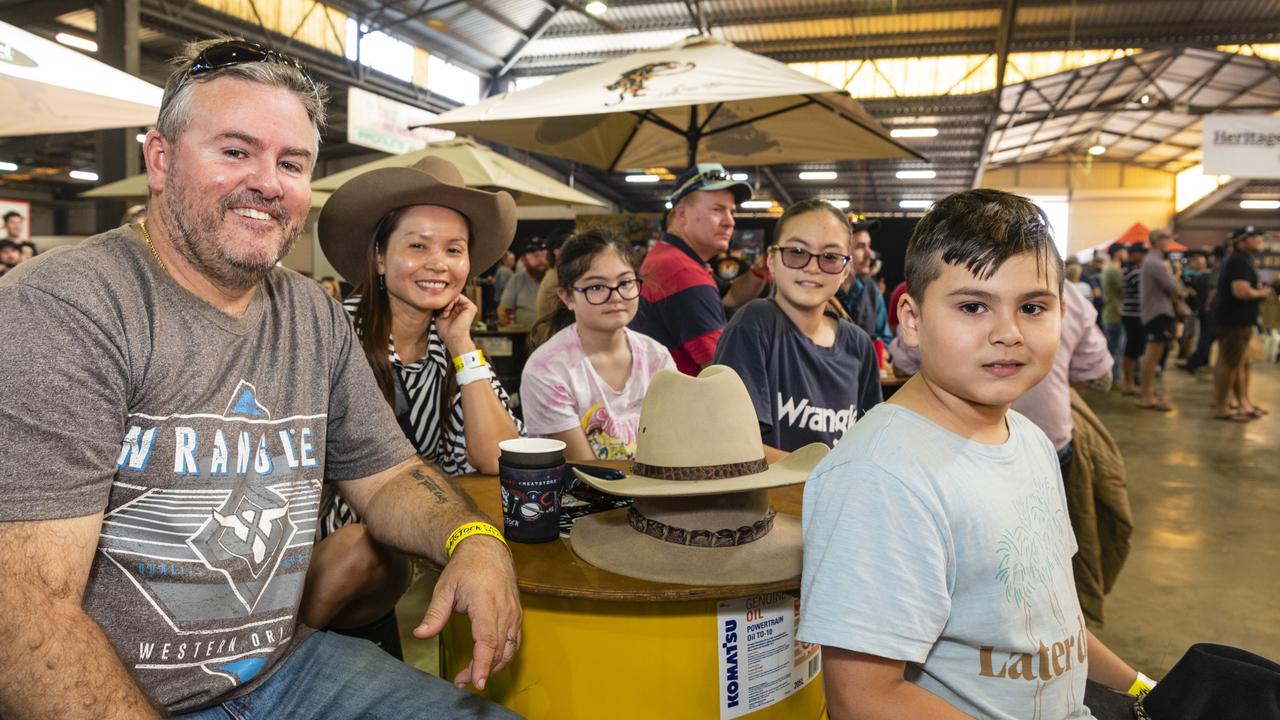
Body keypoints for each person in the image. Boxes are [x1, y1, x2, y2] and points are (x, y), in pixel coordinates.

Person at [0, 38, 520, 719]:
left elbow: (388, 475)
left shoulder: (312, 314)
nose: (269, 183)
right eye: (236, 151)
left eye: (291, 162)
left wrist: (472, 539)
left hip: (288, 670)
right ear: (160, 160)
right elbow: (23, 612)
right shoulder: (66, 305)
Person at [799, 189, 1146, 720]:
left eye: (1032, 307)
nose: (1007, 333)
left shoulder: (1029, 440)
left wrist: (1146, 692)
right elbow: (863, 698)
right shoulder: (881, 476)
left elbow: (1050, 623)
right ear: (911, 320)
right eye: (972, 306)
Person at [310, 155, 523, 653]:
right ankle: (265, 671)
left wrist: (463, 345)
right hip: (306, 561)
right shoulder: (330, 332)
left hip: (387, 572)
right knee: (361, 545)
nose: (438, 263)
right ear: (380, 258)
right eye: (418, 245)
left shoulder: (450, 351)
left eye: (454, 249)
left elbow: (497, 457)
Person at [713, 199, 882, 458]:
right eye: (797, 252)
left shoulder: (859, 345)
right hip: (771, 498)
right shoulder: (754, 324)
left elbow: (870, 444)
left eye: (830, 257)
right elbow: (733, 444)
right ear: (771, 260)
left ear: (845, 269)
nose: (812, 267)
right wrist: (830, 475)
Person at [521, 229, 674, 460]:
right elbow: (586, 471)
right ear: (567, 297)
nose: (616, 296)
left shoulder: (657, 357)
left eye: (625, 282)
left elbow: (672, 445)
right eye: (596, 287)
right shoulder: (547, 370)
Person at [629, 162, 762, 375]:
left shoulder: (669, 256)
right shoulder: (683, 273)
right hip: (679, 404)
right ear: (681, 215)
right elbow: (722, 371)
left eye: (731, 212)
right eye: (717, 210)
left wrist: (760, 270)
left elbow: (731, 296)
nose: (730, 222)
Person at [1212, 226, 1274, 422]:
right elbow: (1241, 292)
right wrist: (1262, 293)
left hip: (1239, 320)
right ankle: (1222, 407)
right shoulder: (1238, 261)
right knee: (1229, 363)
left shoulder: (1243, 260)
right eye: (1253, 237)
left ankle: (1242, 402)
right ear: (1241, 242)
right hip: (1233, 321)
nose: (1258, 240)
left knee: (1239, 363)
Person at [1136, 230, 1181, 412]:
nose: (1169, 242)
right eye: (1167, 239)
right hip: (1157, 312)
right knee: (1153, 354)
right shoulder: (1155, 262)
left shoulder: (1154, 260)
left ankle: (1148, 391)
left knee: (1155, 354)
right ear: (1157, 241)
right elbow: (1173, 287)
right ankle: (1146, 395)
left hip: (1156, 312)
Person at [837, 214, 892, 344]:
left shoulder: (872, 290)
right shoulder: (824, 293)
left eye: (869, 246)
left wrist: (884, 352)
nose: (869, 254)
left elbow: (885, 339)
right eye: (861, 247)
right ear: (840, 251)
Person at [498, 236, 548, 326]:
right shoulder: (517, 280)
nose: (541, 259)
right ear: (523, 260)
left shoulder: (555, 279)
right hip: (522, 336)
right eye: (536, 256)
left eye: (544, 255)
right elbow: (503, 312)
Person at [1118, 241, 1147, 394]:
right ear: (1134, 254)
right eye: (1141, 253)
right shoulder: (1132, 271)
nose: (1144, 256)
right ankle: (1128, 383)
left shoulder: (1130, 269)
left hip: (1133, 314)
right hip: (1133, 315)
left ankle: (1130, 382)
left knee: (1133, 350)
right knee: (1132, 350)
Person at [1100, 242, 1127, 382]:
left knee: (1113, 348)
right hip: (1115, 313)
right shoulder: (1114, 271)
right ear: (1118, 253)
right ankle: (1113, 379)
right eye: (1124, 251)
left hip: (1110, 313)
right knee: (1115, 350)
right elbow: (1124, 291)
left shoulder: (1108, 269)